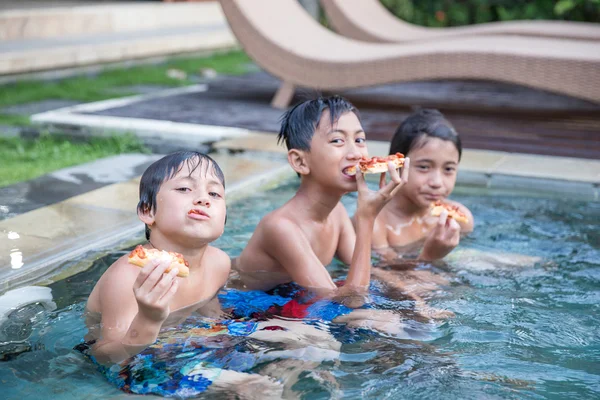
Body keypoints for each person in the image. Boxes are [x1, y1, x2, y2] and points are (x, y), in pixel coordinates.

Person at [85, 151, 231, 365]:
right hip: (134, 364)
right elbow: (106, 357)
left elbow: (212, 318)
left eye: (214, 194)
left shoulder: (219, 263)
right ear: (148, 211)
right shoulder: (129, 277)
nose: (203, 199)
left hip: (180, 345)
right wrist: (148, 319)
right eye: (184, 188)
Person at [371, 109, 474, 263]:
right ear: (395, 165)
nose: (437, 182)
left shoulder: (459, 219)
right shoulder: (375, 224)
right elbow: (395, 281)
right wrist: (429, 257)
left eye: (448, 169)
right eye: (424, 167)